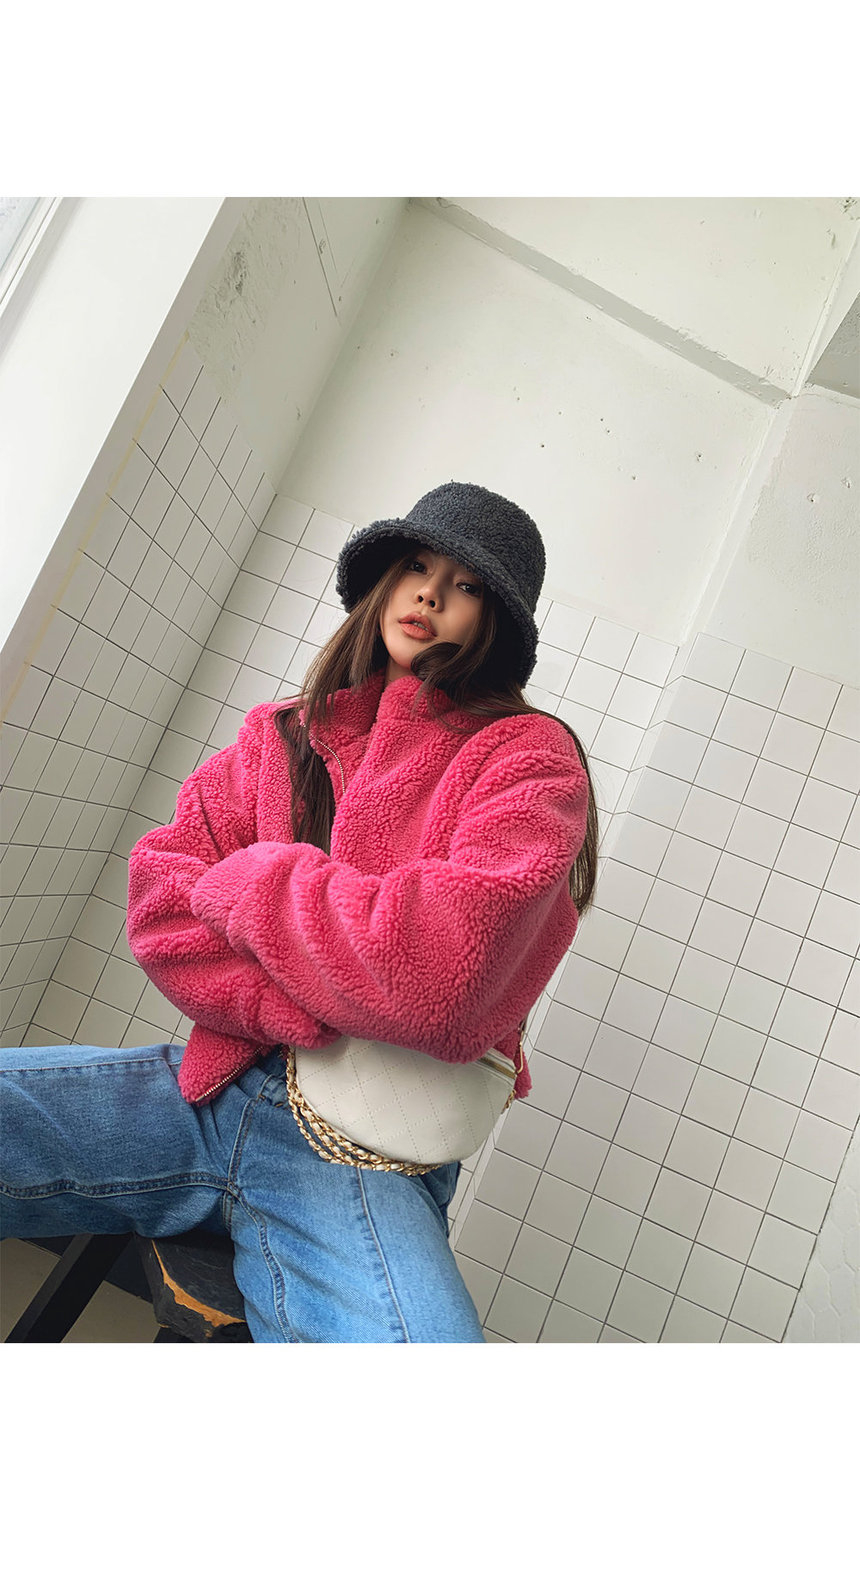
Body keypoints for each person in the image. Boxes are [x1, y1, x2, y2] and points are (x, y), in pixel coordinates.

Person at [0, 481, 598, 1343]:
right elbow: (161, 900)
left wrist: (257, 877)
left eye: (466, 585)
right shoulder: (280, 735)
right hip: (209, 1091)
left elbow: (442, 977)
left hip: (363, 1158)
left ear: (497, 620)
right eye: (416, 566)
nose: (430, 594)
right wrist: (293, 1004)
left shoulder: (527, 758)